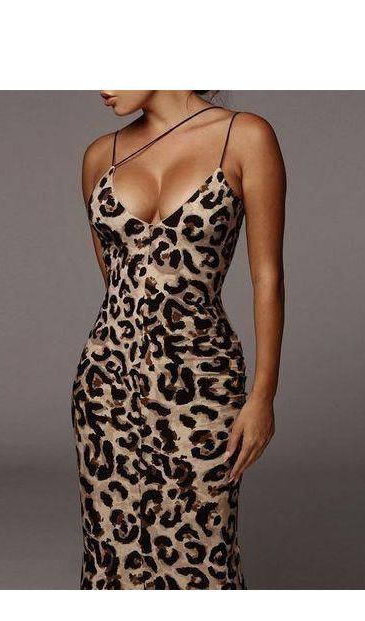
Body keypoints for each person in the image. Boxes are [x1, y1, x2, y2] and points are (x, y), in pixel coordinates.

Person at [71, 90, 286, 589]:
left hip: (203, 383)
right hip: (106, 389)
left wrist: (263, 396)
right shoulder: (100, 156)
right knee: (111, 556)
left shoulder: (245, 137)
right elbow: (117, 281)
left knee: (204, 556)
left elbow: (268, 278)